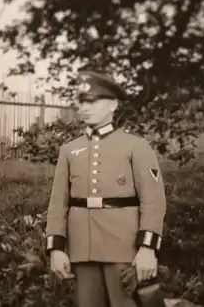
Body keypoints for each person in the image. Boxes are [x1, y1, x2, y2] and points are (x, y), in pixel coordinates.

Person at [44, 70, 167, 307]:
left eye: (93, 101)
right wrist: (56, 249)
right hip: (82, 248)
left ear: (113, 105)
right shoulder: (70, 150)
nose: (85, 107)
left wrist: (147, 248)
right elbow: (58, 204)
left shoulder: (135, 146)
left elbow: (153, 202)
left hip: (124, 246)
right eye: (81, 102)